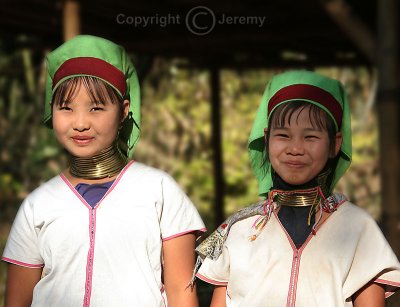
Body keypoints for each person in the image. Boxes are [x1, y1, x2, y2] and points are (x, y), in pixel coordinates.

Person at [2, 35, 206, 307]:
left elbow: (182, 293)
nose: (80, 123)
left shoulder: (159, 190)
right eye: (66, 108)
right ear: (51, 110)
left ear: (123, 112)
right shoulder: (37, 204)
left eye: (96, 108)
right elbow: (17, 301)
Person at [195, 70, 400, 306]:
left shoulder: (358, 229)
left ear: (335, 144)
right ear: (267, 137)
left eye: (310, 137)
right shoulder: (240, 229)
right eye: (283, 135)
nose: (295, 148)